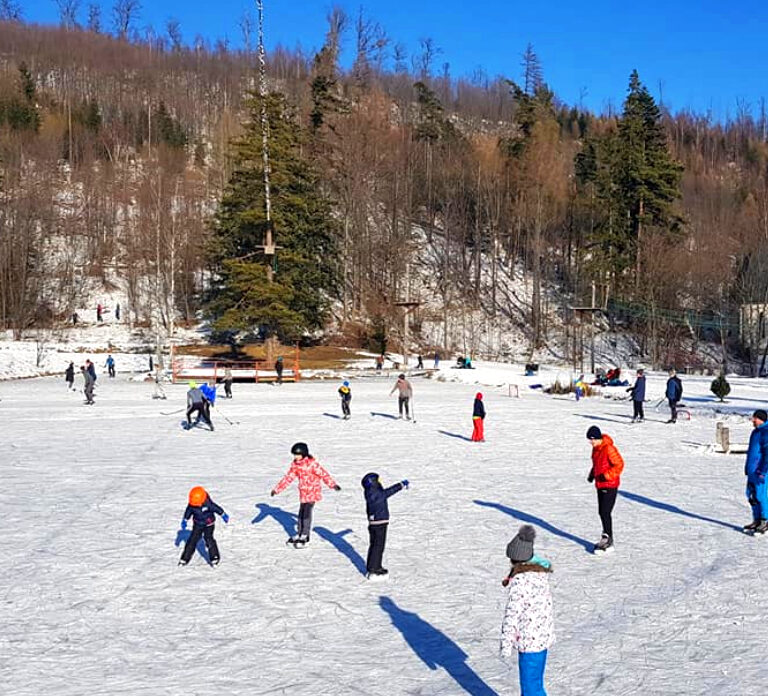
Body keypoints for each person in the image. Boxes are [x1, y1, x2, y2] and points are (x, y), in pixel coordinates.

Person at [500, 525, 555, 696]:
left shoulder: (520, 582)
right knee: (535, 684)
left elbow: (512, 615)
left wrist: (506, 645)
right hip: (542, 639)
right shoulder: (540, 575)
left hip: (529, 642)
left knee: (531, 687)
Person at [270, 442, 340, 547]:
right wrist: (277, 489)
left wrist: (333, 485)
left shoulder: (312, 464)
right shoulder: (295, 466)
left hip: (312, 492)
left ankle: (305, 535)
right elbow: (288, 478)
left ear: (304, 454)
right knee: (301, 513)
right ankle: (299, 533)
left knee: (306, 513)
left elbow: (323, 474)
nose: (295, 457)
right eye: (294, 455)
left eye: (297, 455)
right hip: (303, 493)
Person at [361, 473, 409, 578]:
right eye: (378, 481)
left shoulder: (369, 492)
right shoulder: (376, 493)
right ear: (373, 482)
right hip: (380, 522)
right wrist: (401, 485)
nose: (380, 482)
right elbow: (389, 492)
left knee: (374, 545)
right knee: (378, 546)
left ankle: (372, 566)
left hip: (374, 522)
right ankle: (375, 567)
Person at [586, 426, 624, 553]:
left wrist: (606, 476)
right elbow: (597, 464)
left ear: (597, 438)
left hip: (610, 485)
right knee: (601, 512)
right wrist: (592, 474)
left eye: (592, 440)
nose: (590, 442)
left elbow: (619, 464)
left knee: (605, 512)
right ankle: (606, 537)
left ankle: (608, 539)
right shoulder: (595, 449)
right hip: (600, 484)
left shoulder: (609, 448)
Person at [178, 486, 229, 566]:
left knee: (208, 539)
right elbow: (188, 511)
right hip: (197, 524)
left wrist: (223, 514)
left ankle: (214, 557)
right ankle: (185, 558)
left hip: (209, 524)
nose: (195, 506)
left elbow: (216, 508)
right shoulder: (192, 504)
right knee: (192, 540)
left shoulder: (208, 504)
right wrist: (185, 519)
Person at [744, 409, 768, 534]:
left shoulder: (766, 432)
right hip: (752, 471)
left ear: (761, 419)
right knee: (751, 495)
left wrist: (763, 471)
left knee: (760, 495)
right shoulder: (755, 432)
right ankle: (756, 519)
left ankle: (765, 520)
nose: (752, 420)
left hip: (761, 471)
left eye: (755, 418)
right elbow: (752, 452)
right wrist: (747, 468)